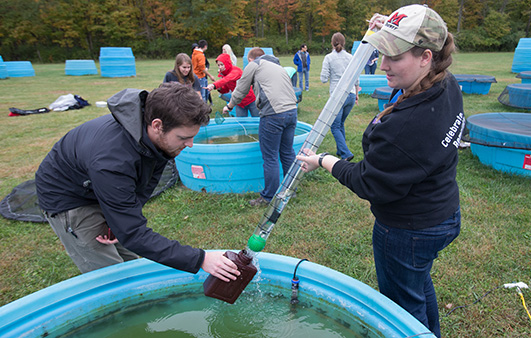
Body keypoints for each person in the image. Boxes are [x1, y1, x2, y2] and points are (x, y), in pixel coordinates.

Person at [296, 5, 463, 337]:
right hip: (442, 213)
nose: (382, 64)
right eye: (381, 52)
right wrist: (384, 31)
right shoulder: (445, 84)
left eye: (394, 56)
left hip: (408, 230)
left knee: (403, 306)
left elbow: (368, 182)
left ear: (426, 57)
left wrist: (325, 159)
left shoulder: (404, 128)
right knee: (416, 284)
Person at [35, 82, 241, 283]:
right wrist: (201, 259)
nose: (190, 144)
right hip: (68, 196)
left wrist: (117, 222)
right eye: (183, 137)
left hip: (99, 181)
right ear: (157, 125)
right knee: (111, 276)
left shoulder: (156, 138)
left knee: (131, 265)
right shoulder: (112, 161)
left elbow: (146, 184)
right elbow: (133, 234)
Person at [223, 48, 298, 206]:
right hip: (292, 111)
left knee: (270, 156)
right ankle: (291, 191)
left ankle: (268, 197)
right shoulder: (278, 66)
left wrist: (229, 107)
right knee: (287, 152)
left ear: (250, 59)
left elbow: (241, 90)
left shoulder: (254, 65)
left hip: (273, 114)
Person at [321, 32, 360, 162]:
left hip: (338, 96)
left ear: (332, 43)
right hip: (351, 95)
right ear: (344, 43)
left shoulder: (328, 58)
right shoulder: (351, 57)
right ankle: (340, 150)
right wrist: (357, 95)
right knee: (340, 123)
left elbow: (323, 79)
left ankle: (346, 153)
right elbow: (356, 77)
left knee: (334, 126)